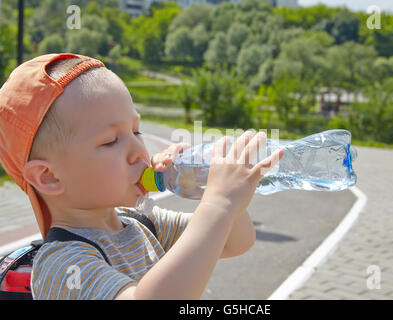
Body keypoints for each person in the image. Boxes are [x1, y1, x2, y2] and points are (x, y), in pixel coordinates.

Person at [0, 53, 283, 300]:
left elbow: (235, 241)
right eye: (111, 140)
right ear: (49, 177)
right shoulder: (61, 264)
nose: (138, 150)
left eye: (136, 131)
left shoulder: (144, 223)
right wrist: (219, 204)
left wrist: (204, 187)